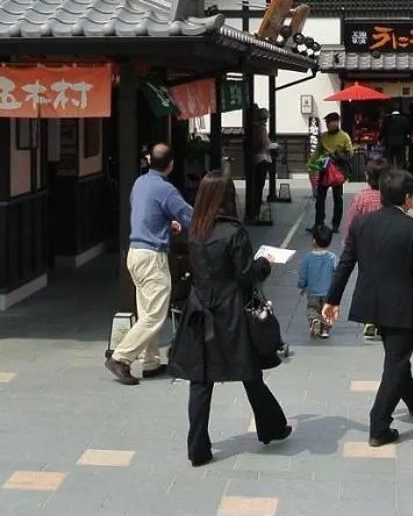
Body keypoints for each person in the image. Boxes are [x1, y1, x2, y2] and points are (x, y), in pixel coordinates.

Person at [167, 172, 291, 466]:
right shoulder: (234, 232)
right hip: (231, 310)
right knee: (248, 371)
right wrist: (265, 264)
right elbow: (245, 276)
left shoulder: (195, 229)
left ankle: (197, 448)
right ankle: (271, 426)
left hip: (199, 309)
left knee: (200, 379)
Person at [323, 168, 413, 448]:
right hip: (404, 307)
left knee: (396, 357)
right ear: (407, 197)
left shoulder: (362, 224)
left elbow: (346, 262)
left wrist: (332, 300)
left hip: (372, 303)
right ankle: (379, 424)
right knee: (396, 362)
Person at [107, 144, 193, 385]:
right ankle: (121, 357)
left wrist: (167, 225)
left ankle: (151, 362)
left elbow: (146, 214)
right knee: (154, 315)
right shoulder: (166, 189)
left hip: (135, 253)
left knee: (145, 310)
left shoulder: (140, 184)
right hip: (152, 255)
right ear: (171, 164)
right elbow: (188, 216)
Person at [342, 160, 413, 342]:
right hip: (394, 247)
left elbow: (351, 223)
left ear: (368, 178)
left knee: (370, 280)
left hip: (367, 247)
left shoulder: (360, 198)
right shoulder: (395, 197)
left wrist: (349, 243)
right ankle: (388, 317)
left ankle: (370, 319)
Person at [311, 112, 353, 232]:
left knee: (337, 198)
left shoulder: (344, 136)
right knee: (320, 198)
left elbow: (350, 153)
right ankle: (319, 223)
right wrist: (311, 164)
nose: (328, 125)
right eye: (327, 123)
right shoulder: (323, 136)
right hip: (324, 168)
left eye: (329, 122)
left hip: (337, 171)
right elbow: (317, 151)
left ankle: (335, 225)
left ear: (336, 122)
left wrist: (337, 155)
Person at [298, 223, 337, 339]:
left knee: (312, 308)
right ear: (329, 242)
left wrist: (301, 286)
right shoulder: (332, 257)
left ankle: (315, 320)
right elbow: (339, 272)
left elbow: (303, 275)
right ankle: (325, 330)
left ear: (313, 241)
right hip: (329, 292)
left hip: (313, 292)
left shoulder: (307, 258)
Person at [244, 107, 272, 224]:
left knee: (256, 185)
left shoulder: (253, 128)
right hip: (261, 158)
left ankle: (255, 208)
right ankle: (255, 209)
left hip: (256, 159)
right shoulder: (261, 129)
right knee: (258, 185)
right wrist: (271, 146)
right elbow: (263, 143)